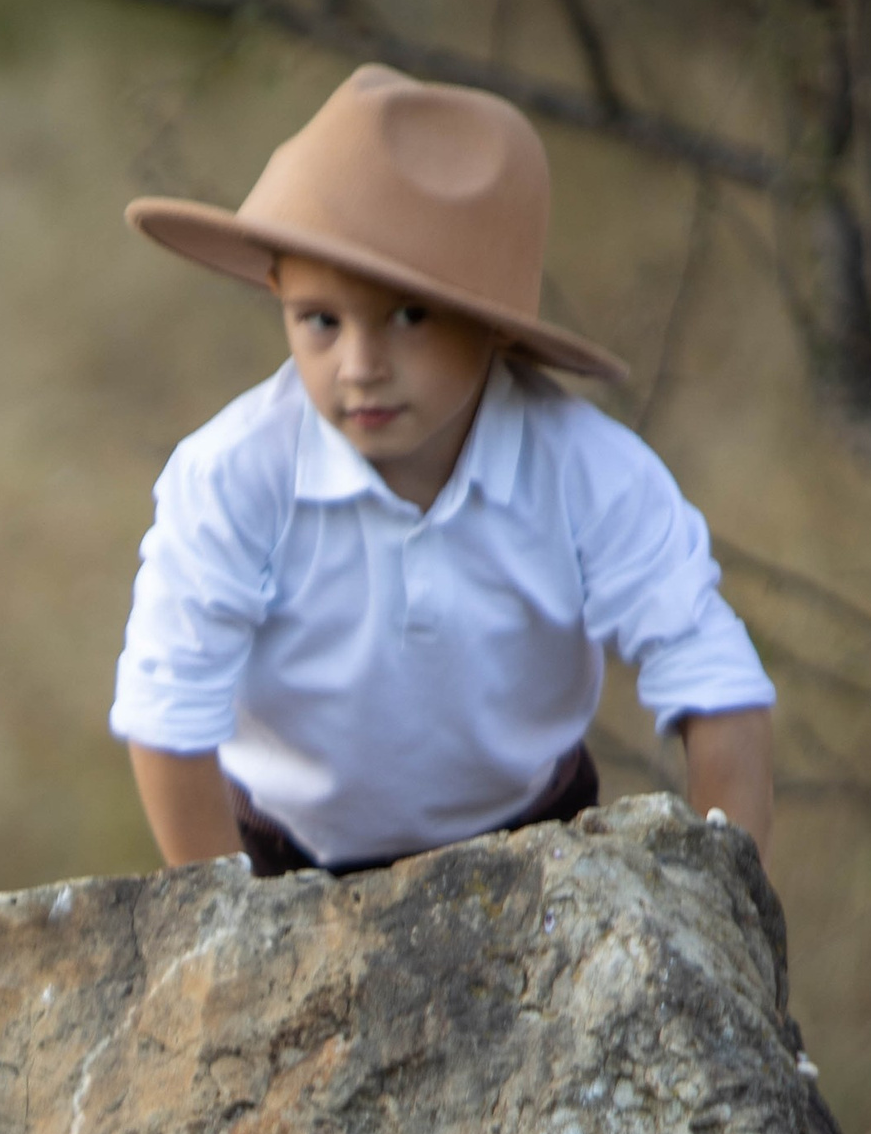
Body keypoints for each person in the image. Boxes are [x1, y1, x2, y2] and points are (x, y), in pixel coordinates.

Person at [110, 65, 775, 879]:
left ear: (492, 323)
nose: (359, 365)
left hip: (539, 846)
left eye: (409, 317)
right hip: (283, 857)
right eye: (319, 320)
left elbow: (712, 675)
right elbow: (169, 706)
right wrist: (227, 925)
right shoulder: (231, 475)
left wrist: (723, 898)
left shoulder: (587, 470)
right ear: (278, 293)